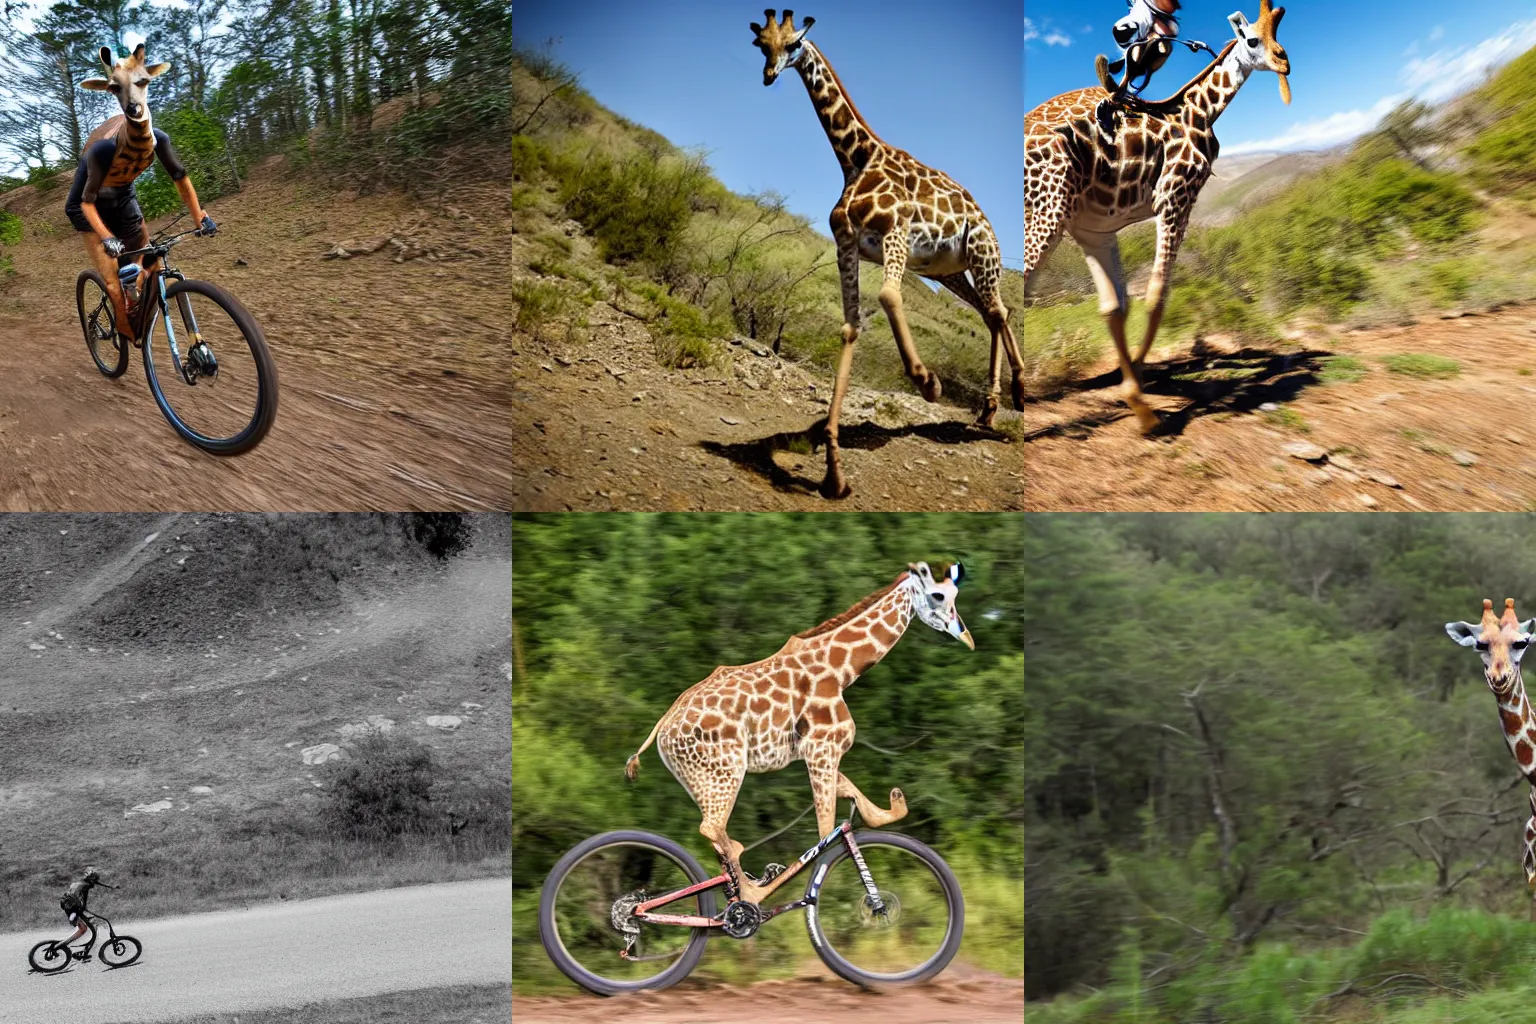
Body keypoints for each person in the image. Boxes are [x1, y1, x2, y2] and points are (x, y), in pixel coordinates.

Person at [65, 43, 217, 350]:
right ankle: (127, 328)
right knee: (115, 288)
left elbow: (181, 179)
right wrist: (107, 237)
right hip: (88, 208)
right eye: (119, 89)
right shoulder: (103, 150)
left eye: (140, 83)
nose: (131, 94)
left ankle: (152, 307)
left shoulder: (158, 140)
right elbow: (85, 202)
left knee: (153, 263)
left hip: (122, 198)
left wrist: (200, 216)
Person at [1095, 0, 1184, 133]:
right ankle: (1120, 91)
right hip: (1133, 33)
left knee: (1164, 47)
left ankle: (1129, 83)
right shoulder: (1142, 13)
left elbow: (1168, 28)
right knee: (1143, 46)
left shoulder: (1164, 21)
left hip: (1147, 38)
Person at [58, 866, 113, 960]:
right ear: (91, 878)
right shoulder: (84, 886)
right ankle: (61, 946)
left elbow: (97, 883)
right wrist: (80, 908)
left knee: (90, 928)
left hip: (70, 907)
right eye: (95, 878)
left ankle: (84, 952)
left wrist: (111, 887)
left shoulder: (82, 882)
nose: (96, 881)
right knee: (83, 929)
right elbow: (76, 895)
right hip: (73, 908)